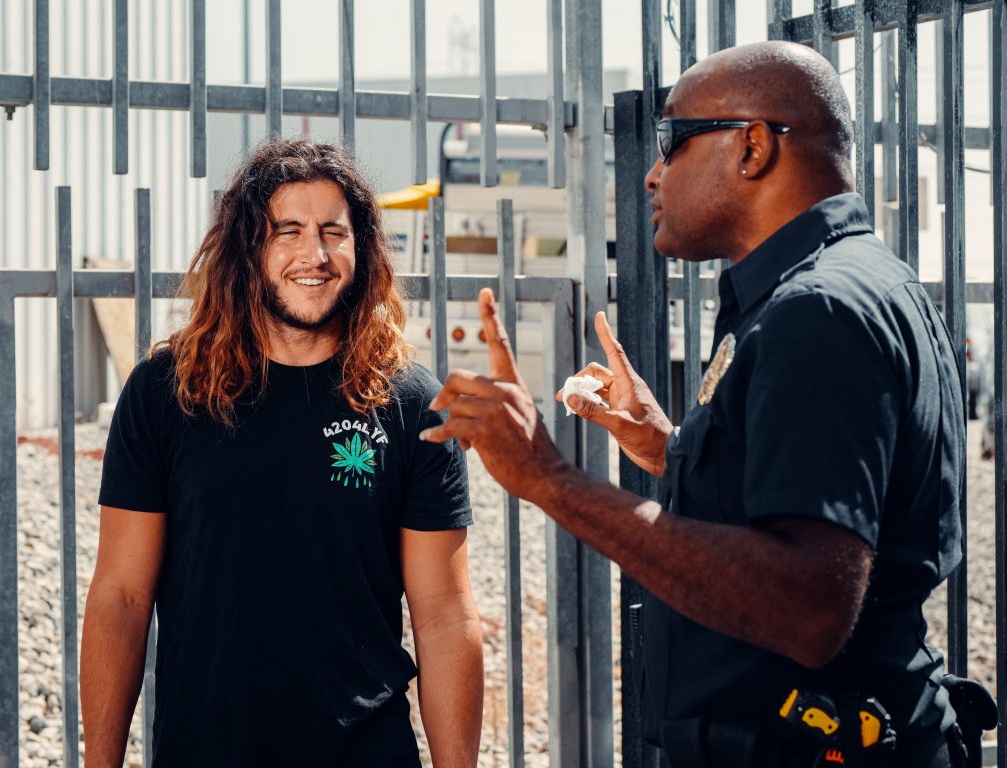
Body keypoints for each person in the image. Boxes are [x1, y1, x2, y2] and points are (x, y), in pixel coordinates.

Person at [420, 41, 987, 767]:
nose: (653, 173)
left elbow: (809, 606)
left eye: (672, 140)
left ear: (753, 147)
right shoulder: (849, 286)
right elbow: (816, 495)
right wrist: (668, 447)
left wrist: (550, 481)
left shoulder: (819, 311)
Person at [81, 139, 484, 768]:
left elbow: (444, 617)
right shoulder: (167, 393)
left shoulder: (410, 403)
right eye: (287, 231)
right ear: (247, 251)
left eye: (333, 231)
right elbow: (121, 598)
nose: (314, 254)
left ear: (364, 248)